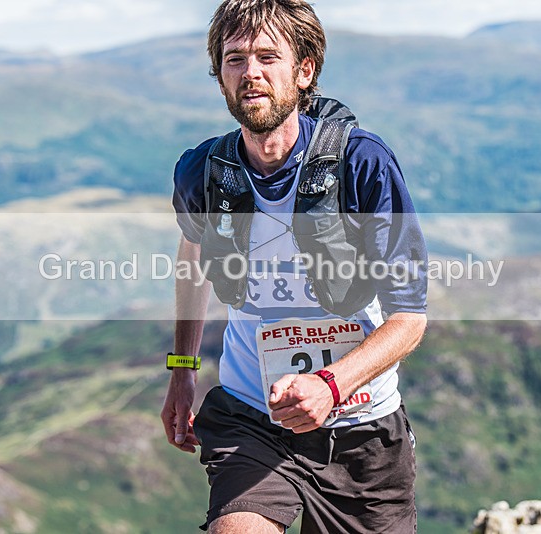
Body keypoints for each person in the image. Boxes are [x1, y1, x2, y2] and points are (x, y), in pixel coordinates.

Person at [161, 1, 428, 532]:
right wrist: (182, 372)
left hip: (361, 429)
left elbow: (410, 318)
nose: (250, 73)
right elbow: (192, 260)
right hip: (250, 417)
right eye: (234, 59)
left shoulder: (362, 164)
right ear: (219, 77)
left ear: (304, 71)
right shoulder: (202, 173)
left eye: (267, 56)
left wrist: (330, 386)